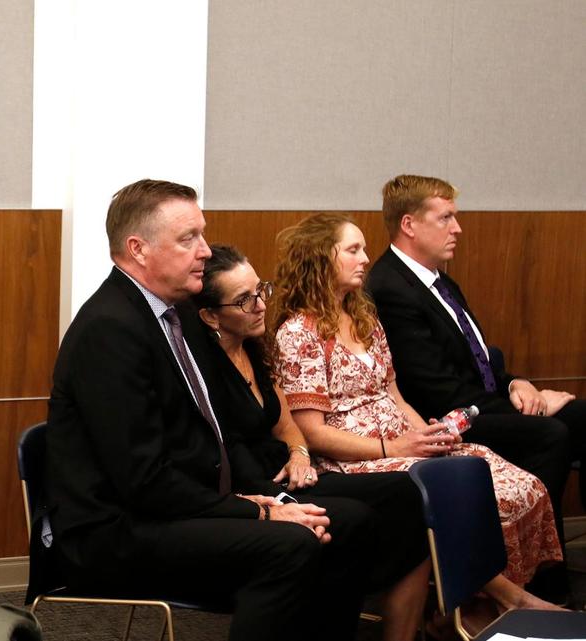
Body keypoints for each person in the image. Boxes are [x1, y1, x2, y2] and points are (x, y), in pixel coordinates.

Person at [46, 179, 382, 641]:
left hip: (174, 507)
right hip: (115, 532)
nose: (205, 250)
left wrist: (251, 498)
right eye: (189, 239)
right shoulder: (110, 330)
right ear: (138, 249)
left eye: (202, 235)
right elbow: (143, 480)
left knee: (350, 522)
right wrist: (254, 512)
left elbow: (205, 436)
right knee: (289, 545)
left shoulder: (176, 313)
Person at [268, 212, 563, 611]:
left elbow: (394, 394)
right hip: (352, 458)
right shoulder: (300, 332)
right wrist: (396, 447)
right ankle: (498, 601)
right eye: (352, 250)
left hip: (403, 442)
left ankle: (469, 608)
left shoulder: (364, 317)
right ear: (321, 258)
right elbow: (314, 434)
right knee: (457, 488)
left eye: (363, 249)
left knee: (509, 480)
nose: (365, 258)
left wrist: (428, 433)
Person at [187, 243, 430, 641]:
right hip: (253, 488)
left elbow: (286, 426)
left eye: (260, 291)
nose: (261, 305)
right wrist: (277, 494)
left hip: (288, 472)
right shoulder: (203, 367)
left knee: (407, 492)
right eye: (244, 300)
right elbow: (226, 452)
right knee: (354, 518)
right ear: (211, 315)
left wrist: (300, 455)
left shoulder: (253, 346)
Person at [366, 175, 586, 555]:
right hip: (444, 420)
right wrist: (532, 411)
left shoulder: (439, 280)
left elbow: (479, 363)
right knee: (550, 432)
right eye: (446, 218)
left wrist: (520, 386)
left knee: (582, 416)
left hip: (477, 403)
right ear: (409, 225)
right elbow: (437, 390)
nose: (458, 228)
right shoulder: (391, 288)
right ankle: (533, 569)